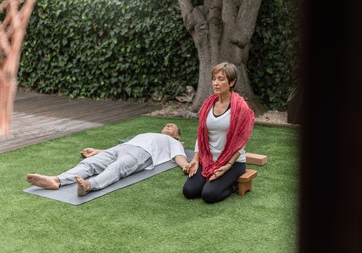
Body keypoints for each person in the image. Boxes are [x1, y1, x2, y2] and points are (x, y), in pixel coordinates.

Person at [27, 123, 189, 196]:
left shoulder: (173, 142)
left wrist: (187, 166)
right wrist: (97, 151)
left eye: (172, 126)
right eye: (167, 125)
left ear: (177, 135)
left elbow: (179, 156)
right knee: (89, 164)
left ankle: (88, 186)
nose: (168, 125)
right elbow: (128, 144)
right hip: (121, 148)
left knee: (116, 168)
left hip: (141, 154)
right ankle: (57, 180)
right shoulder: (149, 134)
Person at [183, 62, 255, 204]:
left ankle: (232, 186)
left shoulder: (241, 107)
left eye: (221, 79)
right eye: (214, 79)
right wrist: (195, 160)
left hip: (232, 162)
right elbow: (201, 136)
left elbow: (241, 141)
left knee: (209, 195)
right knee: (189, 191)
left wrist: (228, 165)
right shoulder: (208, 104)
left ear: (232, 82)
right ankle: (210, 180)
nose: (216, 83)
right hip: (208, 159)